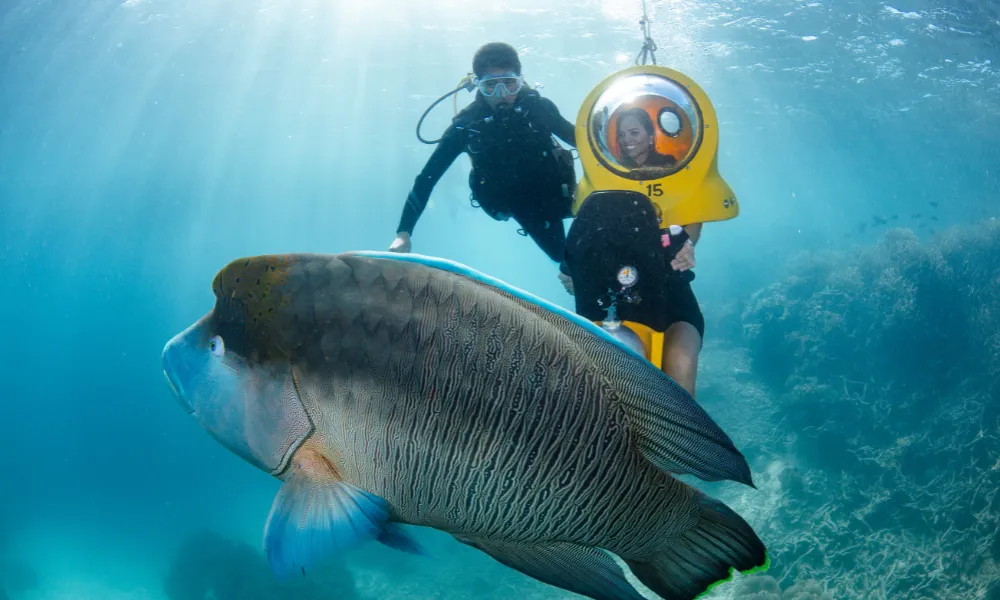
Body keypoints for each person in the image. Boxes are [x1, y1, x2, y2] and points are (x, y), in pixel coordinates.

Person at [388, 42, 578, 269]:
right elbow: (428, 177)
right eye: (490, 86)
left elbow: (581, 141)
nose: (501, 94)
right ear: (478, 84)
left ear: (520, 80)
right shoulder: (466, 126)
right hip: (517, 202)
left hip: (557, 191)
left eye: (509, 83)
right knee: (565, 259)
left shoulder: (539, 108)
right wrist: (404, 233)